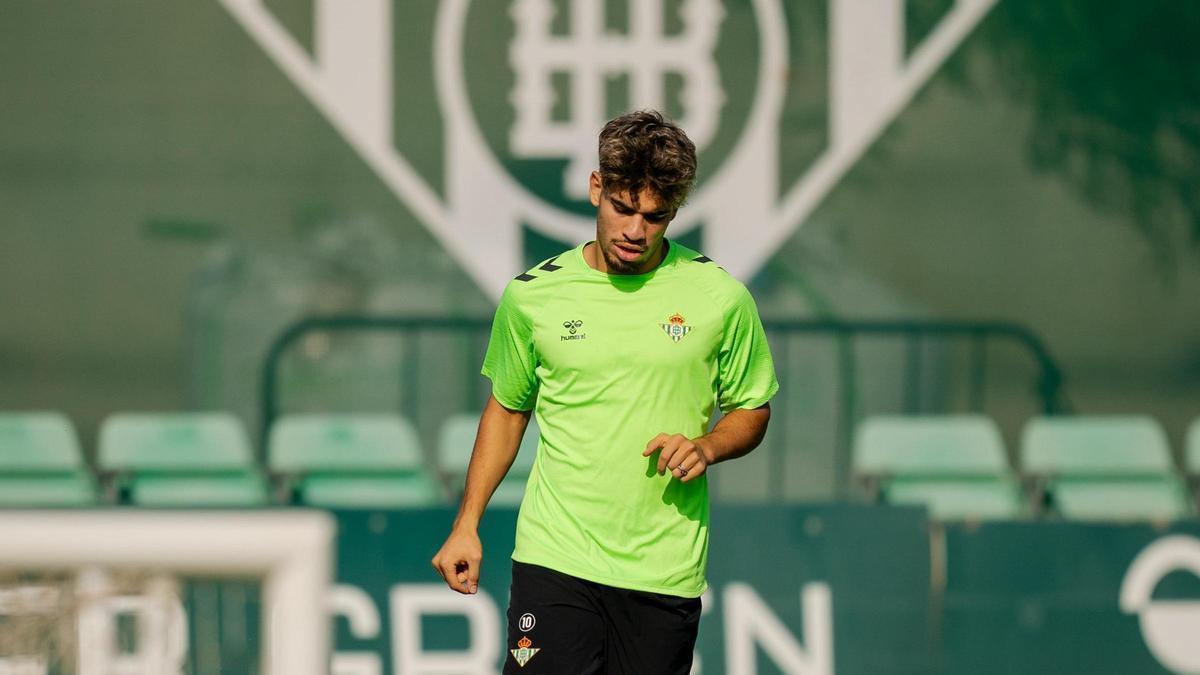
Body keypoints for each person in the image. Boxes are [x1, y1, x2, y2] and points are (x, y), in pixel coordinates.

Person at [431, 109, 778, 674]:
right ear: (597, 189)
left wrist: (709, 445)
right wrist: (467, 522)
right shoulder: (531, 298)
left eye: (655, 216)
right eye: (623, 208)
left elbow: (752, 408)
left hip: (662, 570)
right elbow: (507, 409)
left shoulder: (720, 298)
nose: (635, 231)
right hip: (555, 558)